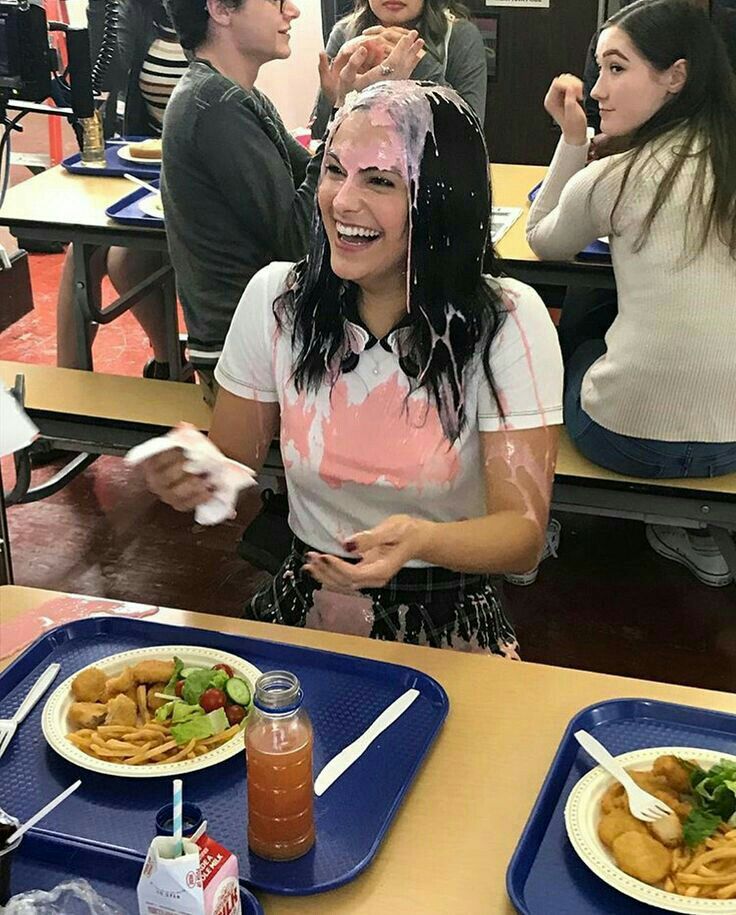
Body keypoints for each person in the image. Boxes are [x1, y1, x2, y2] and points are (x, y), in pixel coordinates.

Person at [141, 80, 564, 654]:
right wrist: (193, 472)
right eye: (335, 170)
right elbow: (234, 457)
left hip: (447, 613)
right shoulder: (278, 300)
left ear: (441, 199)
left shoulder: (507, 321)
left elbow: (521, 535)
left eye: (381, 181)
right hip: (307, 598)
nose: (341, 201)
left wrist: (417, 540)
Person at [527, 0, 736, 587]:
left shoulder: (616, 177)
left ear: (676, 76)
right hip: (733, 441)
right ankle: (685, 529)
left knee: (576, 320)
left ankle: (531, 521)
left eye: (616, 69)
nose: (597, 89)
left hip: (627, 442)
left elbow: (544, 241)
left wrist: (572, 141)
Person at [161, 0, 423, 404]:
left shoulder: (233, 95)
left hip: (275, 332)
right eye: (275, 1)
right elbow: (301, 233)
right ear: (220, 9)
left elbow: (317, 177)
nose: (292, 11)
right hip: (248, 353)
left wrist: (353, 101)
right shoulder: (215, 106)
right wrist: (351, 106)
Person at [55, 0, 188, 379]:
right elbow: (106, 75)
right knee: (79, 256)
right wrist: (102, 7)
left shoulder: (220, 13)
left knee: (124, 260)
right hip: (143, 166)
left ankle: (170, 362)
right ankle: (69, 388)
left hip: (197, 166)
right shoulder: (140, 11)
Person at [310, 0, 487, 138]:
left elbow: (471, 135)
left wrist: (421, 66)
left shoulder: (460, 36)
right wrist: (333, 98)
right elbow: (318, 137)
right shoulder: (345, 33)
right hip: (359, 170)